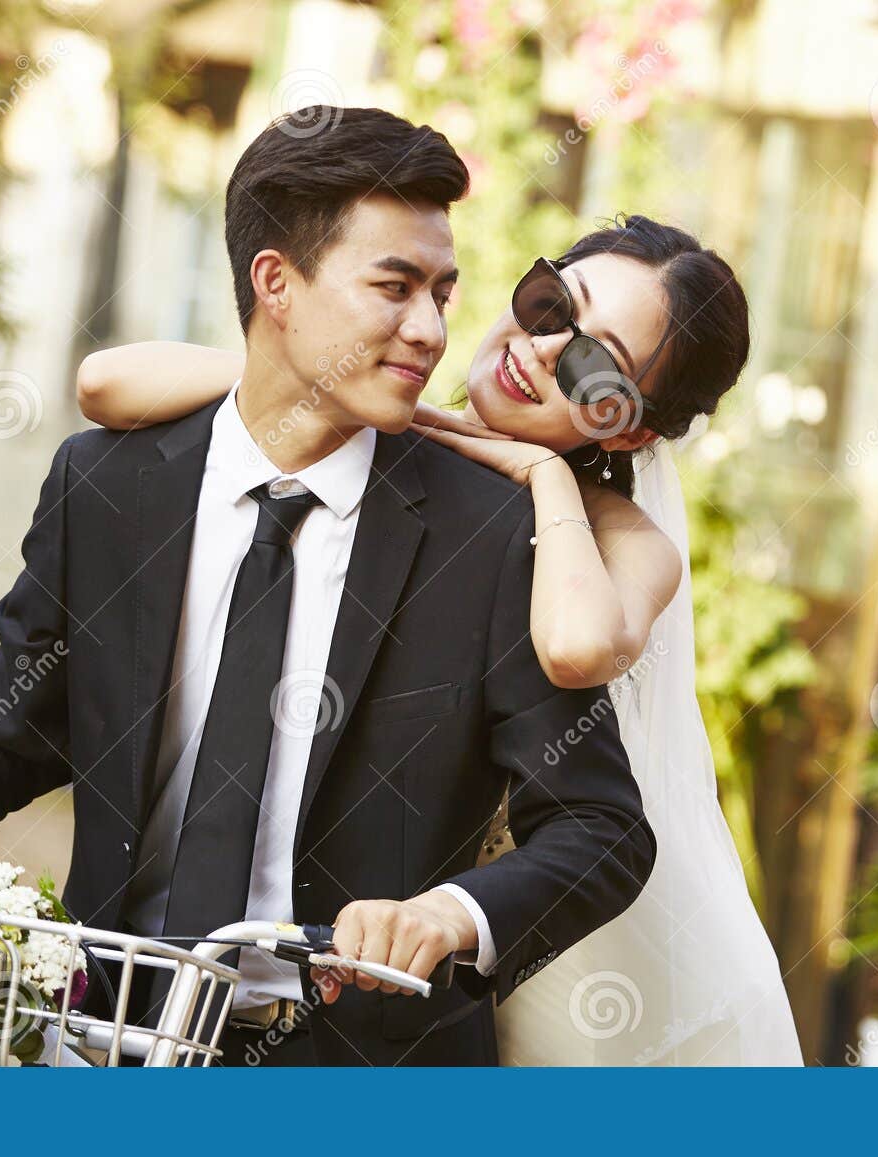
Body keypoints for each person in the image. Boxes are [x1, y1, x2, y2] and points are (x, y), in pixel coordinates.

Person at [0, 106, 656, 1067]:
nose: (430, 329)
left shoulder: (490, 537)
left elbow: (600, 827)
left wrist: (449, 915)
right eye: (394, 286)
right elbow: (22, 721)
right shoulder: (109, 485)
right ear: (276, 283)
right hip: (107, 1037)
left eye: (444, 293)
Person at [76, 213, 804, 1065]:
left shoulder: (627, 538)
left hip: (539, 950)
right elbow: (102, 382)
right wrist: (327, 383)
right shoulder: (384, 424)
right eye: (548, 305)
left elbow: (574, 646)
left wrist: (538, 474)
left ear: (632, 427)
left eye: (592, 362)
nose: (540, 350)